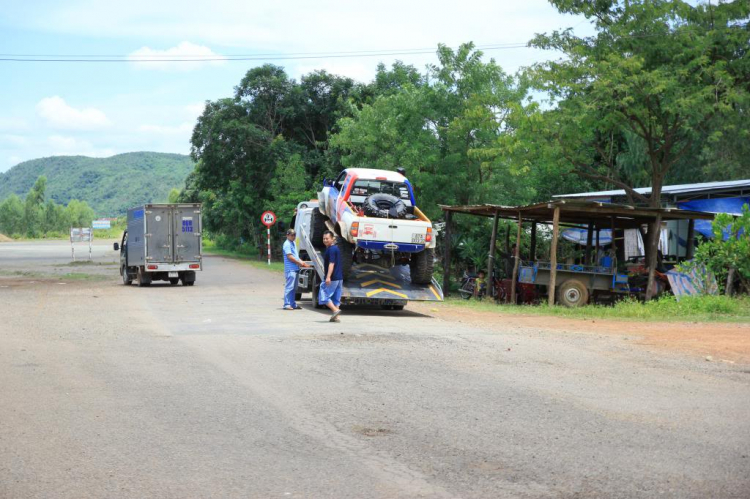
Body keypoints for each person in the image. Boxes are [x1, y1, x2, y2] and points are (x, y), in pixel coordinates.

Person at [282, 228, 310, 310]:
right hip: (290, 269)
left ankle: (292, 304)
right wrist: (300, 263)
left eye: (294, 235)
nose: (293, 236)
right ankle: (286, 304)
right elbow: (290, 257)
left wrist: (303, 263)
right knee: (289, 287)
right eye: (292, 235)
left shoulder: (293, 243)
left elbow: (296, 256)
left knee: (294, 288)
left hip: (295, 268)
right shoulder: (287, 244)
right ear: (287, 235)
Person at [319, 230, 343, 322]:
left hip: (333, 278)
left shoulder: (331, 250)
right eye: (324, 238)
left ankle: (335, 310)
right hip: (339, 278)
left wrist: (328, 277)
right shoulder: (335, 248)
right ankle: (336, 317)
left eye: (327, 238)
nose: (325, 240)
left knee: (323, 294)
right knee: (336, 298)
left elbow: (331, 264)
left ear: (332, 239)